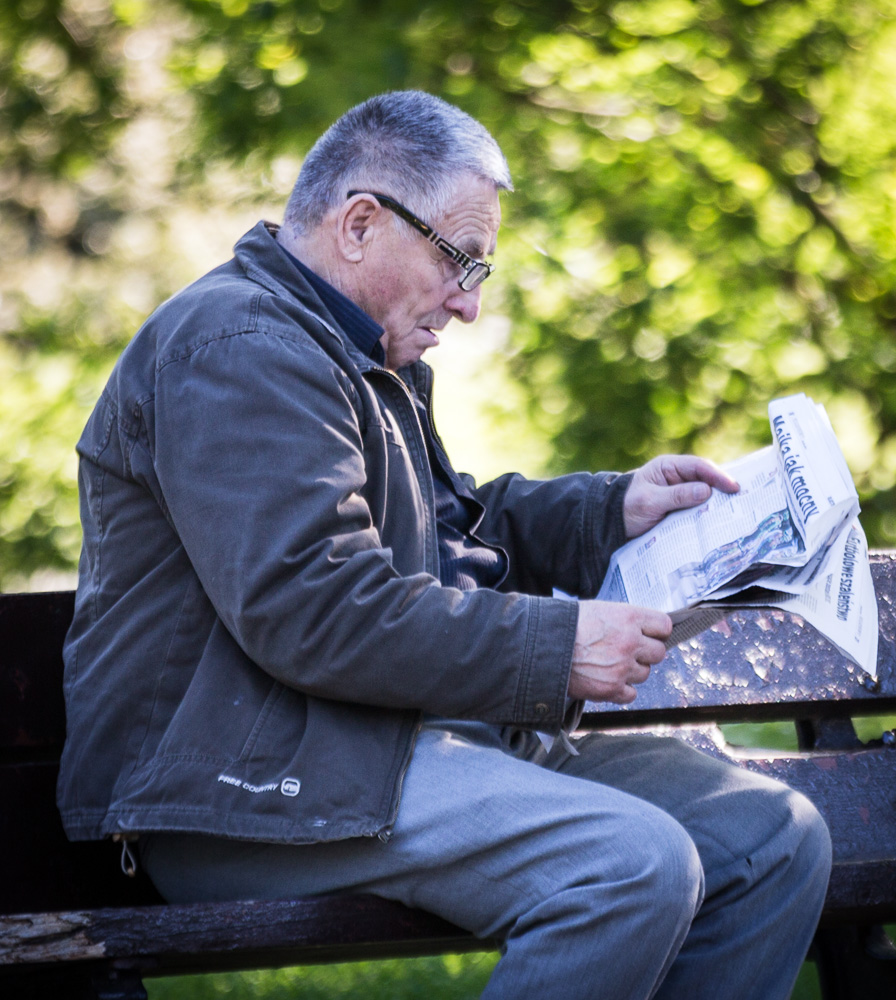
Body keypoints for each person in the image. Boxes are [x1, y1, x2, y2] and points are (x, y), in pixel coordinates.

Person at [58, 90, 831, 999]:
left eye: (480, 272)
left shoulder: (363, 355)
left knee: (773, 837)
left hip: (398, 743)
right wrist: (558, 648)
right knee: (628, 867)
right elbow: (314, 606)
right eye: (460, 261)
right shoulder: (236, 347)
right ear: (359, 225)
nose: (467, 304)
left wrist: (613, 509)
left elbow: (448, 533)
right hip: (243, 791)